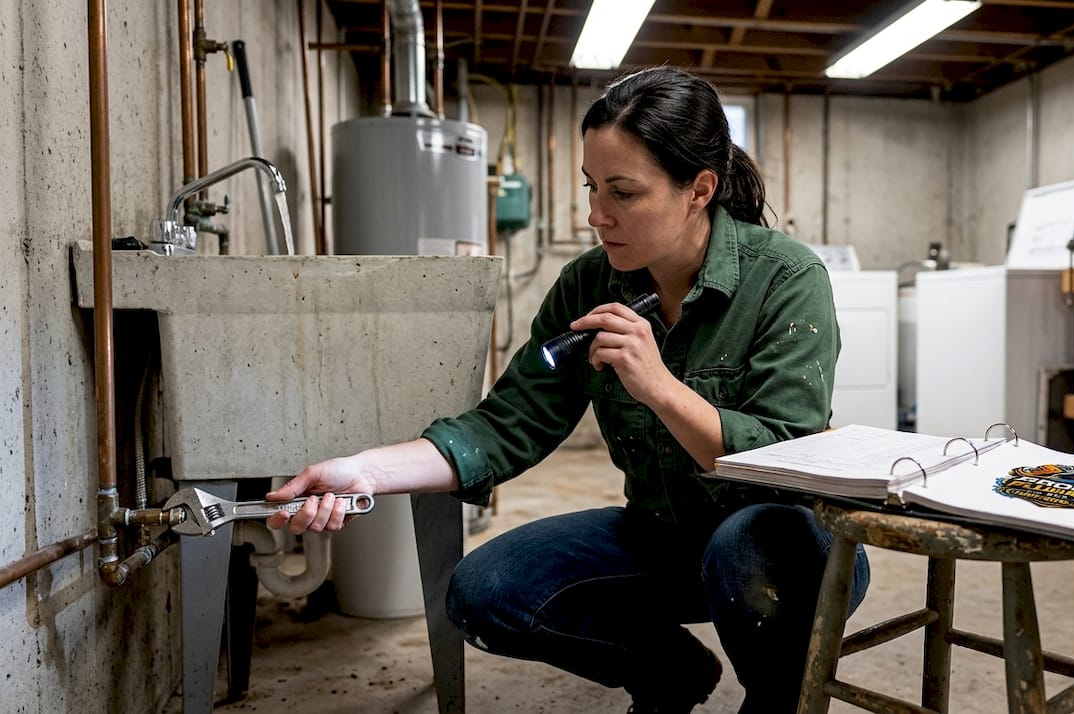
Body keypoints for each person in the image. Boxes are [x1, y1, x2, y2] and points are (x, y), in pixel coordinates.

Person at [266, 66, 871, 714]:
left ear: (699, 189)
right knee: (485, 590)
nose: (595, 215)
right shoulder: (591, 285)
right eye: (591, 186)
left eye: (623, 192)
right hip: (663, 535)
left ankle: (779, 702)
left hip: (781, 547)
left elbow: (785, 465)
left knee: (745, 547)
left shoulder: (784, 278)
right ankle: (667, 673)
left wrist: (660, 388)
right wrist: (363, 471)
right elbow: (506, 424)